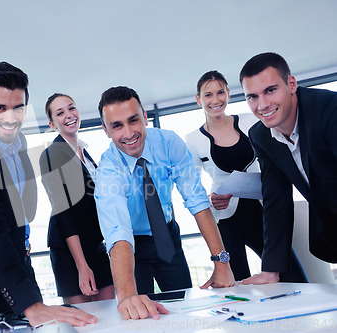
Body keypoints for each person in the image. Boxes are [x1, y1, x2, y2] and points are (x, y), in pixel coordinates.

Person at [0, 61, 97, 327]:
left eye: (17, 108)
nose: (10, 118)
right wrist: (30, 304)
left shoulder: (20, 144)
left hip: (21, 274)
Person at [94, 86, 235, 321]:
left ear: (145, 118)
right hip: (131, 248)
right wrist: (127, 296)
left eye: (133, 120)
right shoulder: (108, 169)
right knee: (138, 316)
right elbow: (118, 230)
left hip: (167, 237)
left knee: (183, 310)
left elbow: (197, 200)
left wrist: (222, 262)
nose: (128, 133)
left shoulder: (168, 143)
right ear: (106, 131)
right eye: (117, 126)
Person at [185, 70, 307, 283]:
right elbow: (191, 185)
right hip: (225, 218)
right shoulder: (193, 139)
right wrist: (210, 198)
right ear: (198, 99)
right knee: (237, 283)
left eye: (220, 92)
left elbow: (276, 158)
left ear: (229, 94)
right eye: (208, 95)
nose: (216, 100)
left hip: (262, 212)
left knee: (292, 275)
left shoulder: (251, 122)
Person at [239, 52, 337, 285]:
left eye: (270, 90)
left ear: (291, 84)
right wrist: (271, 270)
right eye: (252, 96)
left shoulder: (330, 109)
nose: (262, 105)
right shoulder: (260, 135)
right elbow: (276, 199)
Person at [39, 93, 115, 305]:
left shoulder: (85, 152)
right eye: (60, 113)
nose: (69, 115)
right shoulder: (52, 155)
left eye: (71, 108)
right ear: (52, 123)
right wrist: (82, 266)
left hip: (94, 244)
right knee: (83, 322)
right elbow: (63, 211)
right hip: (70, 251)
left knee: (110, 314)